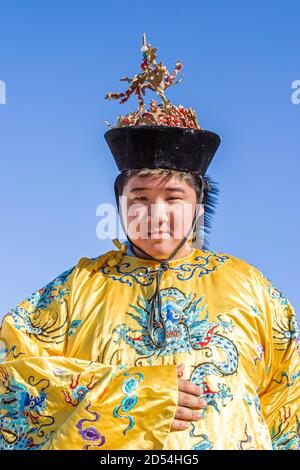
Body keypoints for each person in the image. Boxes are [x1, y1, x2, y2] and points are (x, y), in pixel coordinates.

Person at [0, 34, 299, 451]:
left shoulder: (252, 289)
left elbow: (289, 407)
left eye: (173, 198)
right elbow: (10, 377)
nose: (156, 214)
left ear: (198, 205)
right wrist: (137, 394)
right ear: (120, 204)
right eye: (139, 199)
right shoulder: (76, 288)